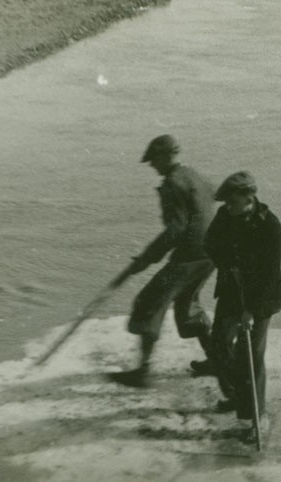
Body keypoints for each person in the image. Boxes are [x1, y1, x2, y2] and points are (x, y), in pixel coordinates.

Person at [107, 135, 217, 388]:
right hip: (210, 254)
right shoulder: (196, 176)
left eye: (154, 160)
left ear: (166, 156)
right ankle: (217, 359)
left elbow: (176, 229)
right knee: (188, 304)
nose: (153, 167)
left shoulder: (171, 184)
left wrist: (146, 259)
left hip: (188, 257)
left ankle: (141, 372)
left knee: (149, 301)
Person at [203, 171, 281, 430]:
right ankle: (238, 395)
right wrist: (228, 264)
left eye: (232, 201)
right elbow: (210, 243)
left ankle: (255, 418)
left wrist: (252, 311)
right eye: (225, 202)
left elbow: (269, 274)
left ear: (248, 198)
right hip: (231, 292)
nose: (227, 206)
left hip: (262, 297)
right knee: (218, 343)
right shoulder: (225, 216)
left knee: (250, 355)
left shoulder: (269, 225)